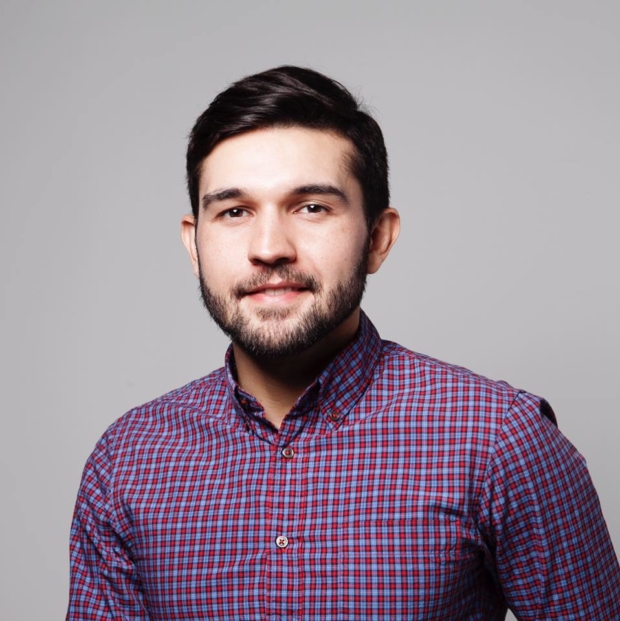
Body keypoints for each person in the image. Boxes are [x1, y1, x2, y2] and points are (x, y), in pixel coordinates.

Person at [66, 66, 620, 620]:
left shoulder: (500, 437)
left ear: (377, 238)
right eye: (234, 212)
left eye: (312, 207)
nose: (269, 248)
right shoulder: (126, 461)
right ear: (195, 245)